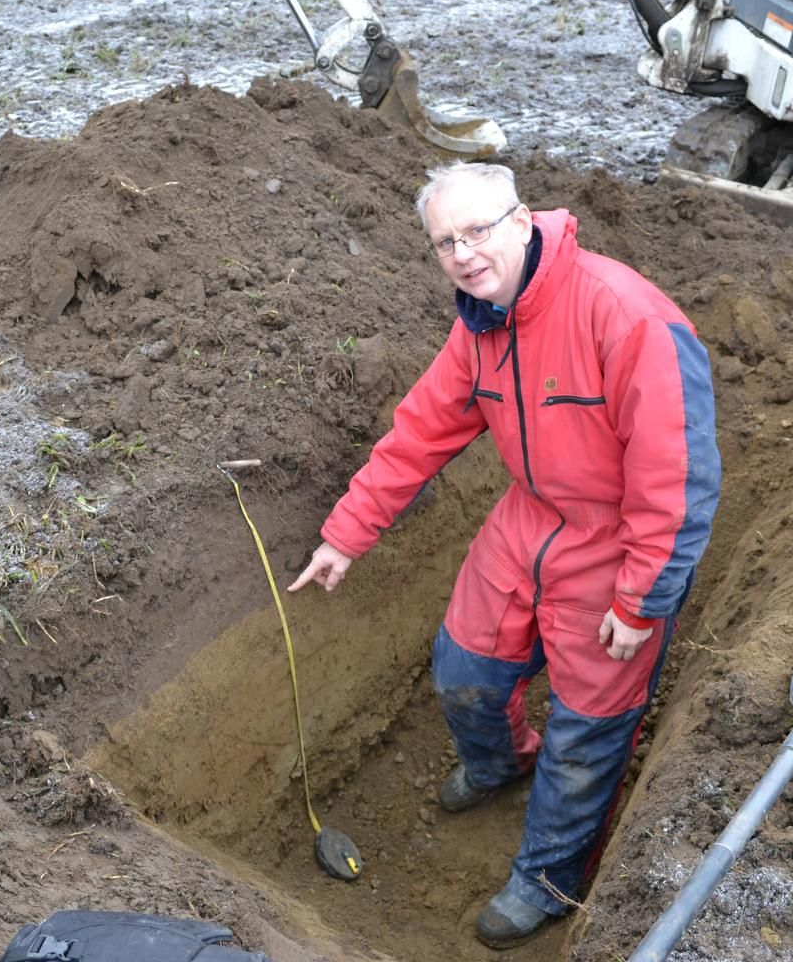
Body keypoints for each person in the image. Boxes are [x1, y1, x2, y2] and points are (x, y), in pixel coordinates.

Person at [287, 162, 721, 948]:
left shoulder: (627, 319)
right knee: (463, 670)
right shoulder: (482, 321)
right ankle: (500, 765)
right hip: (527, 522)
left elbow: (678, 480)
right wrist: (346, 533)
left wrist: (640, 600)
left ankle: (548, 881)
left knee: (587, 733)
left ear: (524, 220)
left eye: (478, 231)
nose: (463, 252)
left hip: (616, 542)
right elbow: (422, 429)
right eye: (445, 242)